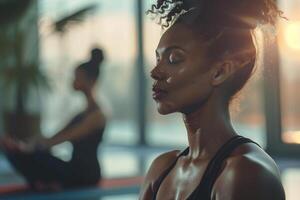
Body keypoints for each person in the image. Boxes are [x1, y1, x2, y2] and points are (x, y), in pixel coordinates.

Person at [139, 0, 285, 199]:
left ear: (220, 72)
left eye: (174, 59)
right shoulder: (161, 168)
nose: (155, 72)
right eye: (158, 59)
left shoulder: (245, 173)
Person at [0, 48, 106, 191]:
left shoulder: (97, 116)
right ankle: (46, 182)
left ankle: (47, 182)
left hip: (86, 175)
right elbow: (54, 136)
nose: (73, 80)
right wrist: (23, 144)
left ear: (90, 81)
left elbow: (63, 138)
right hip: (73, 168)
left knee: (36, 155)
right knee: (15, 153)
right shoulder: (81, 114)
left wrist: (29, 148)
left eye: (77, 77)